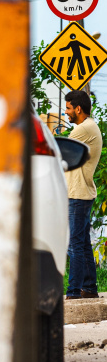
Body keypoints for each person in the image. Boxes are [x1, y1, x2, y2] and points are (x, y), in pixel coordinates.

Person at [64, 90, 103, 300]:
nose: (66, 112)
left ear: (78, 108)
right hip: (81, 192)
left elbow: (59, 152)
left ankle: (73, 292)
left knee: (75, 244)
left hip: (78, 195)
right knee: (83, 243)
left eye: (68, 108)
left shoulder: (83, 129)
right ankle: (88, 288)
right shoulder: (89, 126)